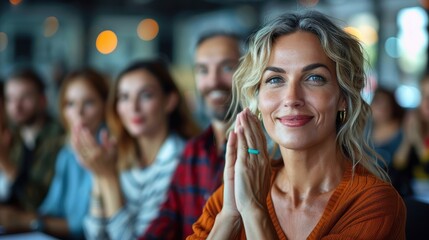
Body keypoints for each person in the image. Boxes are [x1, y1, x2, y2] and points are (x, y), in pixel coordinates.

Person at [188, 10, 406, 239]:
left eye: (314, 78)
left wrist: (253, 211)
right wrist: (230, 215)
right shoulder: (238, 190)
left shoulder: (373, 203)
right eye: (275, 79)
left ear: (343, 97)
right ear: (258, 99)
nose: (292, 98)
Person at [72, 59, 199, 239]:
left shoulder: (180, 159)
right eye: (124, 97)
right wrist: (98, 174)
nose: (133, 107)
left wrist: (108, 178)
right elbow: (95, 234)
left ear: (170, 101)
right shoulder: (118, 153)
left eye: (146, 95)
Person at [141, 32, 242, 239]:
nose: (213, 81)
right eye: (203, 70)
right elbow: (166, 219)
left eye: (227, 67)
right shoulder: (193, 150)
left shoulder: (266, 152)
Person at [0, 69, 109, 238]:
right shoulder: (67, 152)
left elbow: (85, 228)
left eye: (88, 103)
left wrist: (24, 220)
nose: (78, 112)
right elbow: (49, 208)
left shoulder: (108, 151)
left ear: (106, 105)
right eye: (70, 104)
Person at [0, 69, 64, 216]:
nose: (16, 106)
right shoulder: (13, 136)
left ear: (43, 100)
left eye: (25, 97)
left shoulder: (58, 140)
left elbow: (40, 203)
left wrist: (5, 163)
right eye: (10, 99)